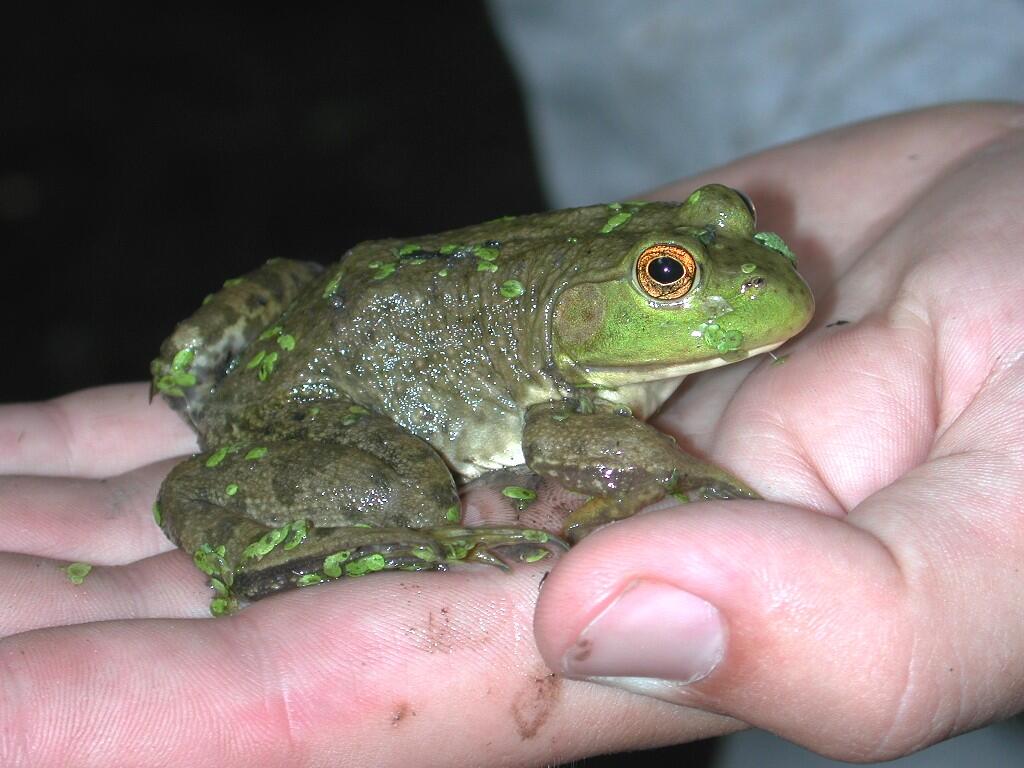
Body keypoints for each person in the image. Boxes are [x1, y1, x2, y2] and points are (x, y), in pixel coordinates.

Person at [1, 102, 1022, 766]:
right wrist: (693, 483)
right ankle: (352, 521)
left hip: (339, 302)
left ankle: (201, 377)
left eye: (727, 233)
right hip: (324, 413)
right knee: (408, 492)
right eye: (668, 278)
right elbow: (566, 441)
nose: (752, 272)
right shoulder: (575, 397)